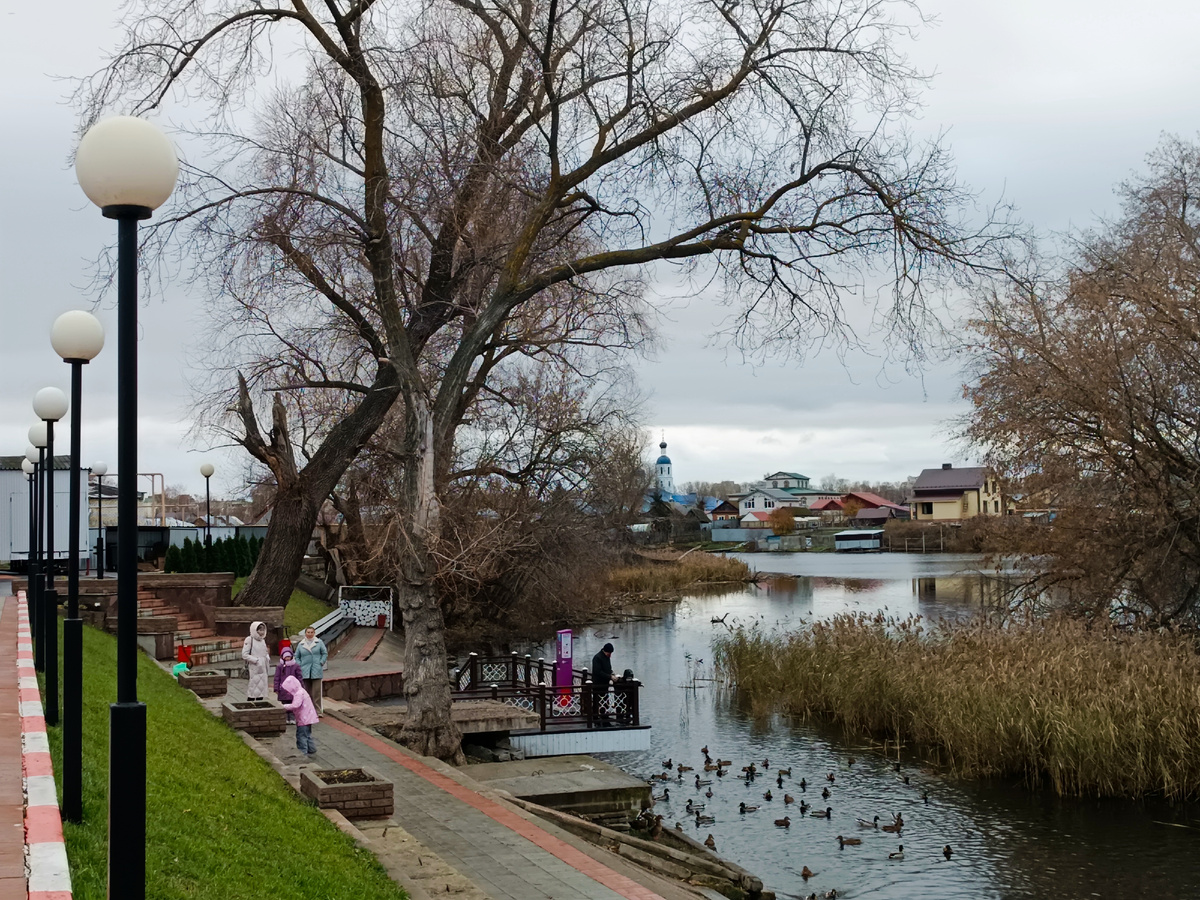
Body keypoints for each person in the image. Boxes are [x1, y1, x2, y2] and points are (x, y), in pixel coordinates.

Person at [280, 674, 319, 755]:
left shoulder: (298, 694)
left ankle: (302, 753)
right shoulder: (302, 691)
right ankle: (312, 749)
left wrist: (284, 706)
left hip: (303, 719)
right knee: (307, 734)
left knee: (301, 736)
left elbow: (295, 705)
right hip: (309, 717)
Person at [295, 625, 328, 714]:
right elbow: (296, 656)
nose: (310, 634)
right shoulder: (301, 644)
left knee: (316, 692)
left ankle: (318, 711)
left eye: (311, 632)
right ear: (305, 633)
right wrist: (300, 665)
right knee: (306, 692)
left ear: (314, 633)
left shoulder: (319, 642)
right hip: (305, 670)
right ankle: (308, 710)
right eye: (308, 632)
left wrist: (321, 662)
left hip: (316, 670)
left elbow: (324, 653)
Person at [242, 620, 270, 701]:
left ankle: (259, 702)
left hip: (263, 666)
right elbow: (244, 654)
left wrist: (267, 657)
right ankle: (250, 702)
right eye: (260, 630)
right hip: (254, 666)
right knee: (253, 686)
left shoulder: (262, 640)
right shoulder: (249, 639)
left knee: (261, 687)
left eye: (263, 630)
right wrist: (256, 660)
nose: (261, 632)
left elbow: (264, 651)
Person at [274, 647, 303, 723]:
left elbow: (299, 677)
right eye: (285, 657)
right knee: (285, 704)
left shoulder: (295, 666)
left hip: (293, 690)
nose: (287, 658)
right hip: (283, 689)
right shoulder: (280, 667)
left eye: (288, 657)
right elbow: (277, 678)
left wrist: (301, 687)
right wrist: (276, 688)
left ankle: (293, 717)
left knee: (293, 704)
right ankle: (286, 718)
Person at [590, 642, 616, 725]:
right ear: (605, 651)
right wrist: (610, 676)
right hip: (598, 683)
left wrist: (612, 673)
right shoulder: (597, 658)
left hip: (605, 683)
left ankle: (604, 715)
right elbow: (598, 672)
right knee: (597, 700)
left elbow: (608, 668)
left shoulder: (606, 657)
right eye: (609, 653)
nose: (610, 655)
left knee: (605, 700)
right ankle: (596, 716)